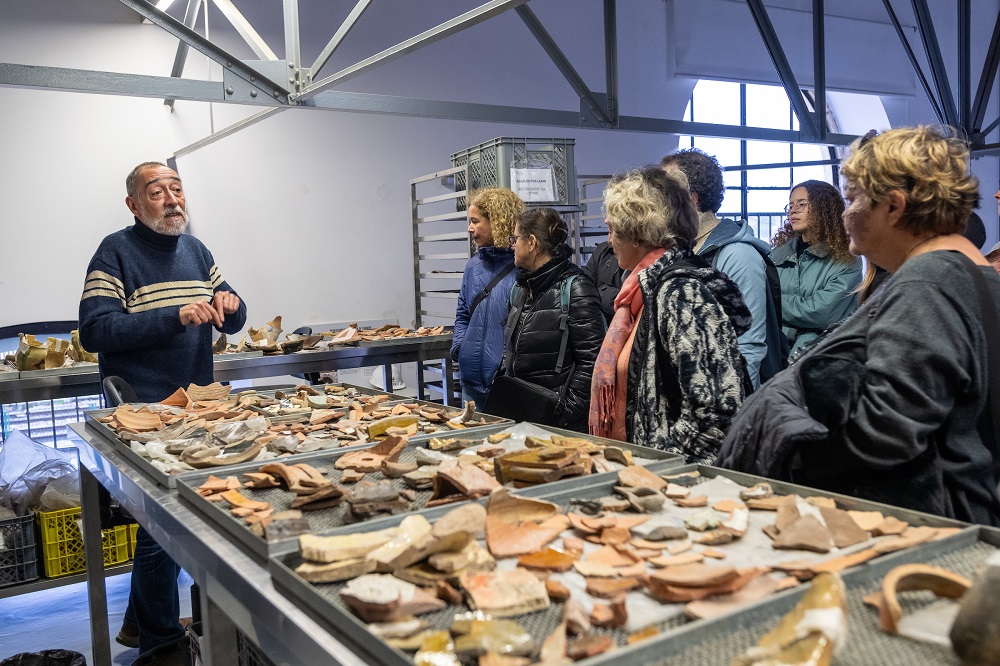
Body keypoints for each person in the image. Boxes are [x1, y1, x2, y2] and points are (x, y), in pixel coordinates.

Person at [718, 126, 1000, 526]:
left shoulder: (926, 284)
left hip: (921, 525)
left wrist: (793, 457)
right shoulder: (972, 274)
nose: (845, 214)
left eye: (851, 199)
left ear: (894, 207)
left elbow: (886, 429)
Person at [79, 161, 247, 665]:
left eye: (177, 189)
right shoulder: (116, 252)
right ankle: (161, 643)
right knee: (163, 525)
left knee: (178, 514)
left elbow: (235, 318)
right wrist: (173, 317)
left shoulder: (197, 251)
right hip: (142, 411)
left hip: (194, 405)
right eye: (158, 192)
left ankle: (140, 620)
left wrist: (232, 304)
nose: (173, 199)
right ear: (134, 204)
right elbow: (96, 331)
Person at [590, 166, 749, 463]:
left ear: (637, 232)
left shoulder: (680, 292)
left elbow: (715, 416)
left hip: (673, 483)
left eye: (613, 229)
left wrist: (661, 468)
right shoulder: (643, 293)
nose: (609, 240)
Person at [660, 149, 784, 388]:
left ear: (692, 199)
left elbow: (748, 348)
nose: (657, 201)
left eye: (666, 192)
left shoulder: (738, 255)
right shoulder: (684, 249)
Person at [489, 208, 605, 432]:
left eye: (515, 238)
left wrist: (563, 413)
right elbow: (510, 347)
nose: (512, 244)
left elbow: (592, 361)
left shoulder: (577, 288)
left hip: (558, 424)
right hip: (523, 413)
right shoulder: (522, 287)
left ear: (532, 243)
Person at [769, 179, 863, 355]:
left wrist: (772, 300)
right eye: (790, 205)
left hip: (822, 354)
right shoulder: (776, 256)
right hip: (776, 351)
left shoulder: (847, 259)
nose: (794, 210)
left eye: (802, 204)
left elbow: (821, 312)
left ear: (823, 208)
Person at [451, 188, 523, 407]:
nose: (469, 228)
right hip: (471, 382)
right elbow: (463, 314)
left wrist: (507, 363)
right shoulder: (473, 267)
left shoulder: (523, 266)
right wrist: (460, 348)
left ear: (497, 221)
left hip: (507, 384)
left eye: (475, 221)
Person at [580, 241, 627, 324]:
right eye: (609, 232)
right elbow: (585, 290)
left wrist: (602, 292)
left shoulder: (645, 255)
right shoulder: (602, 250)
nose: (610, 239)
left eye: (613, 232)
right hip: (600, 326)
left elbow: (634, 302)